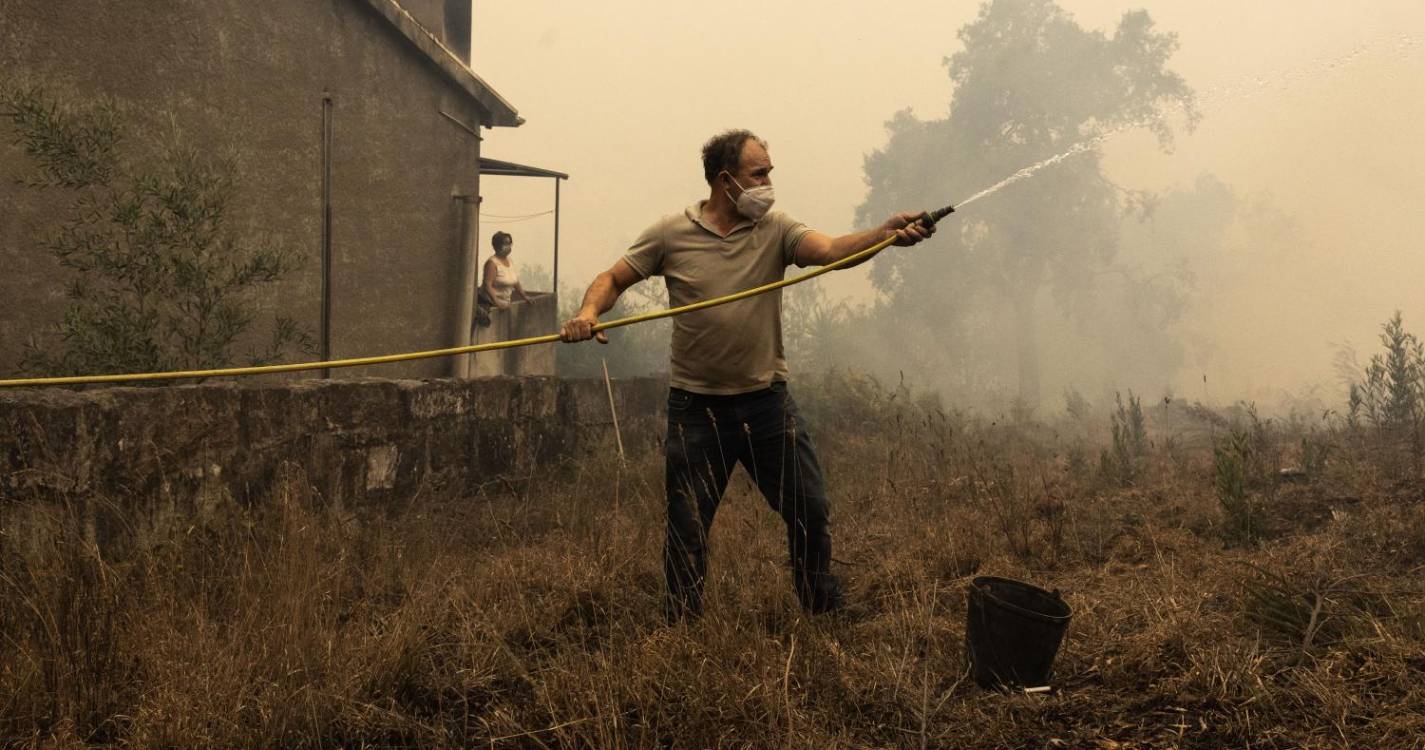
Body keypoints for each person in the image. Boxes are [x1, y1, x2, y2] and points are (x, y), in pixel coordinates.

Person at [559, 129, 934, 620]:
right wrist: (589, 312)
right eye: (759, 173)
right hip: (696, 409)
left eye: (769, 172)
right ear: (725, 181)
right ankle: (682, 622)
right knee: (687, 525)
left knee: (810, 509)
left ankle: (823, 608)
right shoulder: (671, 232)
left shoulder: (776, 228)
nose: (769, 182)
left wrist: (884, 235)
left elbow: (831, 251)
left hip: (767, 403)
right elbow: (612, 278)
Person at [477, 231, 533, 325]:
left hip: (505, 302)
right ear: (497, 246)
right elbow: (487, 285)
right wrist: (497, 302)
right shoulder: (492, 263)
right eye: (506, 243)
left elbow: (515, 281)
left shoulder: (509, 261)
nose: (509, 246)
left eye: (510, 243)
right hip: (489, 303)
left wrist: (524, 296)